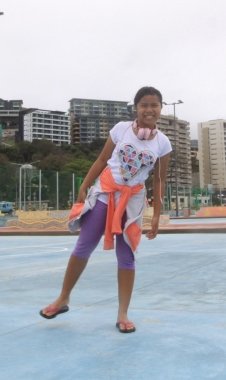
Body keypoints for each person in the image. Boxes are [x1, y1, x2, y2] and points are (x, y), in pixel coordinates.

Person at [39, 87, 172, 333]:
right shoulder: (120, 129)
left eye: (154, 105)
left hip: (132, 202)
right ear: (136, 108)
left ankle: (123, 313)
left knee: (126, 255)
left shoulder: (163, 142)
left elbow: (159, 180)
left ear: (161, 108)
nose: (149, 109)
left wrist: (156, 214)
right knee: (84, 245)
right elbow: (102, 160)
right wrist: (84, 185)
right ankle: (63, 298)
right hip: (105, 193)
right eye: (144, 105)